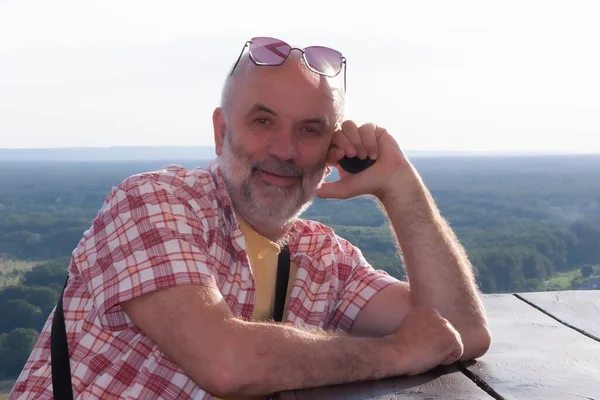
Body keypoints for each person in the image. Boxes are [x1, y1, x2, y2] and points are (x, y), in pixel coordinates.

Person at [10, 36, 491, 400]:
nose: (283, 150)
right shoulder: (153, 203)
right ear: (221, 132)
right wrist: (397, 353)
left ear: (331, 152)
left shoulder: (323, 259)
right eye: (263, 121)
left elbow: (457, 333)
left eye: (310, 130)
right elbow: (225, 361)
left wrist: (401, 189)